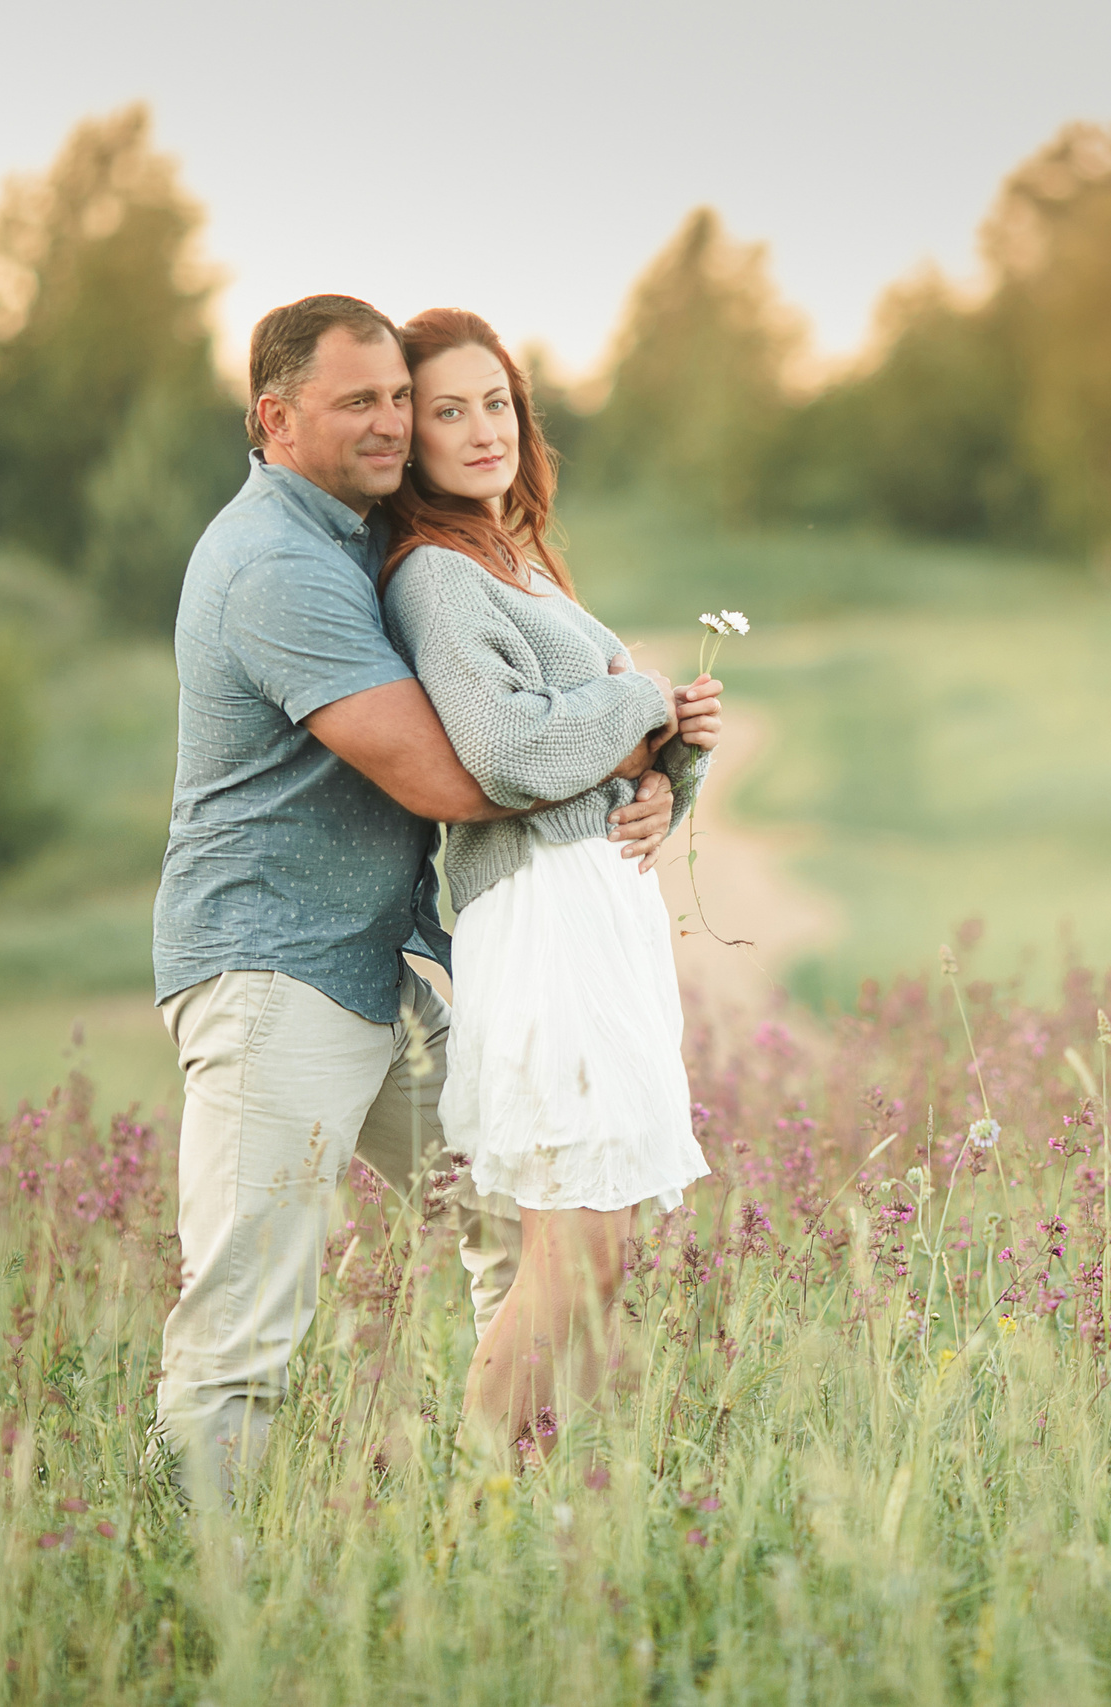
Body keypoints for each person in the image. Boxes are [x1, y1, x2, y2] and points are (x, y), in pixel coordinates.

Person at [148, 294, 679, 1502]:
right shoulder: (274, 563)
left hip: (379, 967)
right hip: (272, 972)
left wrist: (650, 777)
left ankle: (508, 1519)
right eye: (362, 403)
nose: (393, 424)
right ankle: (199, 1585)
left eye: (401, 398)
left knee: (523, 1220)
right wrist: (637, 718)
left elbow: (520, 746)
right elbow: (461, 774)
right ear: (274, 419)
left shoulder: (349, 536)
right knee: (247, 1311)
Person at [378, 307, 721, 1461]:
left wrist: (676, 765)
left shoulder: (516, 562)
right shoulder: (435, 574)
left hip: (598, 913)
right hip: (540, 918)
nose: (484, 431)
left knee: (604, 1251)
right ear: (407, 439)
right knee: (573, 1250)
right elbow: (511, 754)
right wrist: (644, 702)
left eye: (497, 404)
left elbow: (597, 765)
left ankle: (538, 1498)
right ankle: (479, 1499)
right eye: (448, 411)